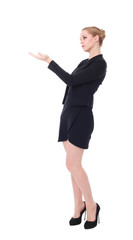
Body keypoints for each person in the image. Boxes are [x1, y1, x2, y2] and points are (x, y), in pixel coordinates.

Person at [29, 26, 107, 229]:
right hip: (68, 113)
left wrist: (49, 61)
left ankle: (91, 206)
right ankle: (77, 206)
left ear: (96, 39)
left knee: (73, 165)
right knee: (72, 165)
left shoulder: (100, 64)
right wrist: (65, 111)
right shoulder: (84, 62)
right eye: (80, 38)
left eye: (84, 37)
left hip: (81, 115)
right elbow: (72, 86)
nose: (81, 41)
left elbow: (71, 80)